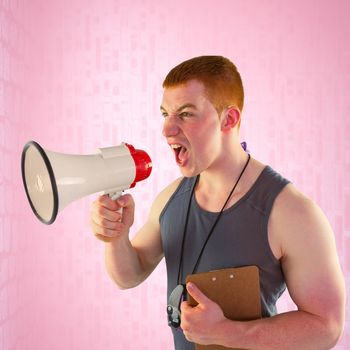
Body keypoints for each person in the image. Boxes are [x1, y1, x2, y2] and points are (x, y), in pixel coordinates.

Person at [90, 56, 345, 349]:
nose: (167, 130)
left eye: (185, 114)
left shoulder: (291, 211)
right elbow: (129, 275)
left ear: (229, 119)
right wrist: (116, 238)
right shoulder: (170, 198)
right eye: (165, 114)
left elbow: (327, 327)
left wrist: (226, 332)